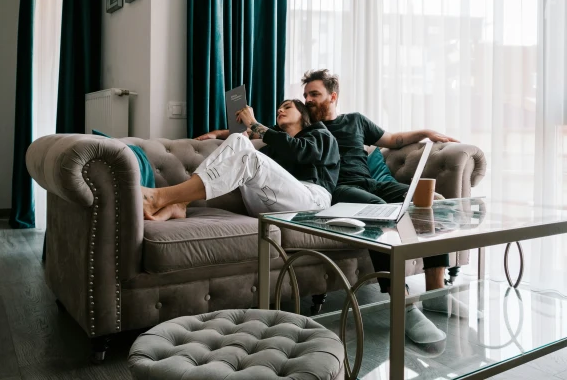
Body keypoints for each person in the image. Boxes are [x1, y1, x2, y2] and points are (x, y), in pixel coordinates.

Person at [198, 70, 465, 344]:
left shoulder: (356, 121)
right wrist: (221, 134)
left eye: (315, 94)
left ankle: (436, 292)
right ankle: (404, 305)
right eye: (306, 96)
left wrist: (427, 132)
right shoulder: (307, 129)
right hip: (341, 190)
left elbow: (393, 140)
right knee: (381, 213)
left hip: (372, 182)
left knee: (429, 203)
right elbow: (258, 136)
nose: (309, 100)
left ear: (332, 96)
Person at [142, 99, 339, 221]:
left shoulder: (320, 134)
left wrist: (253, 124)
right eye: (279, 108)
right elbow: (262, 162)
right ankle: (181, 203)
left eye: (287, 107)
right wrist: (220, 134)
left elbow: (300, 152)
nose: (280, 110)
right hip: (268, 204)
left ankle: (161, 197)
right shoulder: (273, 148)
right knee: (238, 140)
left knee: (247, 155)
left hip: (313, 203)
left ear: (303, 115)